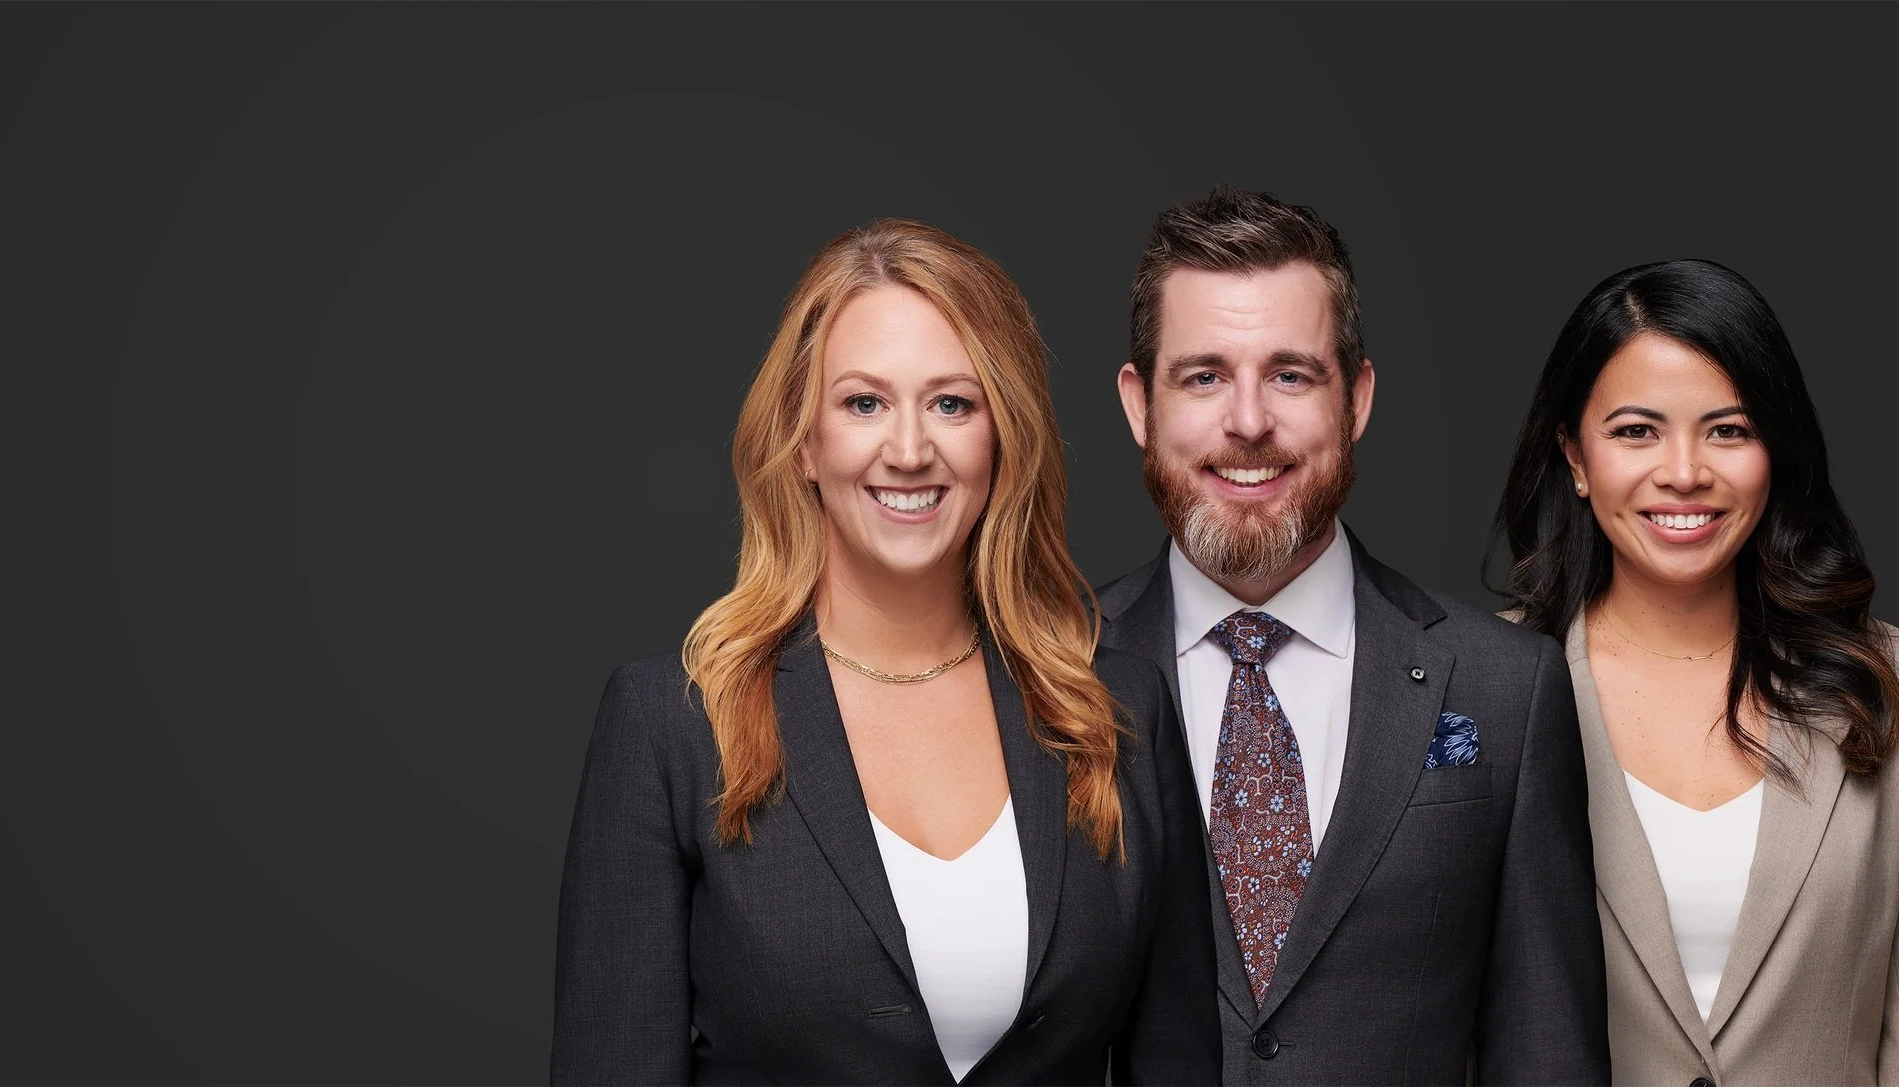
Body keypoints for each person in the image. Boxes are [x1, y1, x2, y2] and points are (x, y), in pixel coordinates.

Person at [551, 219, 1220, 1084]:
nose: (909, 451)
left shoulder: (1118, 712)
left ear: (1002, 437)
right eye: (864, 403)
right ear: (804, 441)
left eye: (952, 403)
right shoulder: (673, 725)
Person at [1091, 188, 1607, 1085]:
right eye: (1203, 376)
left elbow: (1547, 1055)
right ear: (1140, 404)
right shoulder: (1046, 673)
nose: (1248, 421)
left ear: (1357, 399)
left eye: (1290, 375)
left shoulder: (1506, 688)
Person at [1490, 258, 1899, 1085]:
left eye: (1729, 430)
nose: (1685, 471)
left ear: (1776, 450)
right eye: (1636, 431)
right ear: (1575, 455)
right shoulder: (1485, 688)